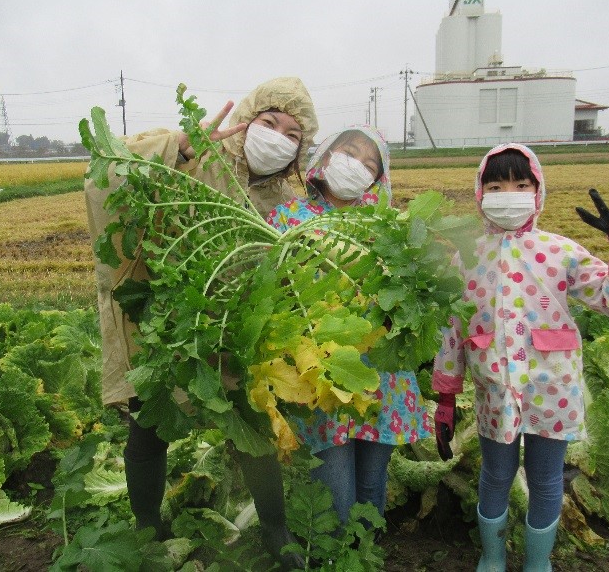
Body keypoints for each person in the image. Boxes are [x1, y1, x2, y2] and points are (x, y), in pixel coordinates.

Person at [84, 77, 318, 570]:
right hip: (168, 317)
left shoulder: (283, 203)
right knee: (149, 429)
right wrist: (178, 149)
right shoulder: (200, 159)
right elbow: (108, 172)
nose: (277, 136)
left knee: (250, 427)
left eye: (292, 134)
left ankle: (276, 529)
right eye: (268, 122)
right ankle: (148, 526)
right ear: (248, 121)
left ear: (301, 149)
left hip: (235, 323)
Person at [431, 143, 609, 571]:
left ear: (537, 191)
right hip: (495, 390)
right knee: (495, 476)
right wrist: (445, 395)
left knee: (547, 480)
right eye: (495, 184)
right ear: (480, 194)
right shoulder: (467, 257)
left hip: (553, 391)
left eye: (520, 183)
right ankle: (492, 558)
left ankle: (537, 563)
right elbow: (451, 331)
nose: (508, 193)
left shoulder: (560, 252)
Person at [267, 126, 434, 527]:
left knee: (371, 486)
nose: (356, 164)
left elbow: (414, 295)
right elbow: (270, 289)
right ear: (325, 156)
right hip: (321, 371)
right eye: (349, 152)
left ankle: (364, 555)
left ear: (377, 180)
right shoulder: (288, 218)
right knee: (333, 490)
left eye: (369, 163)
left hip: (382, 374)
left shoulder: (388, 225)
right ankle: (337, 557)